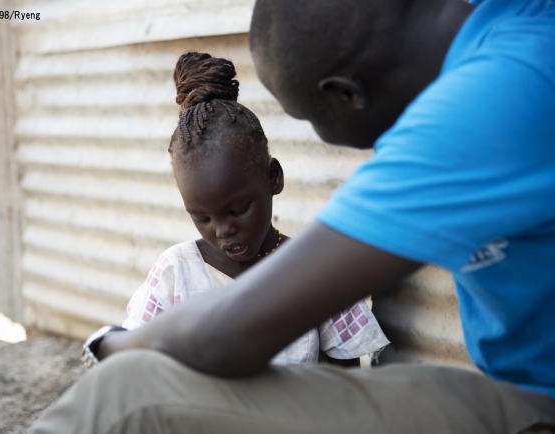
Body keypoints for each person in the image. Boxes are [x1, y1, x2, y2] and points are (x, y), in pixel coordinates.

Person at [31, 0, 555, 432]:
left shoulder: (489, 102)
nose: (224, 228)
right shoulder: (522, 26)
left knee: (127, 394)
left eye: (306, 118)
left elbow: (227, 337)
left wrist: (114, 342)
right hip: (516, 393)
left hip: (537, 409)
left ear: (345, 95)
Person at [118, 53, 388, 367]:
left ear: (273, 177)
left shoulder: (316, 271)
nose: (222, 230)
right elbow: (134, 364)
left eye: (238, 209)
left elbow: (345, 381)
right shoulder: (176, 272)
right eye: (201, 217)